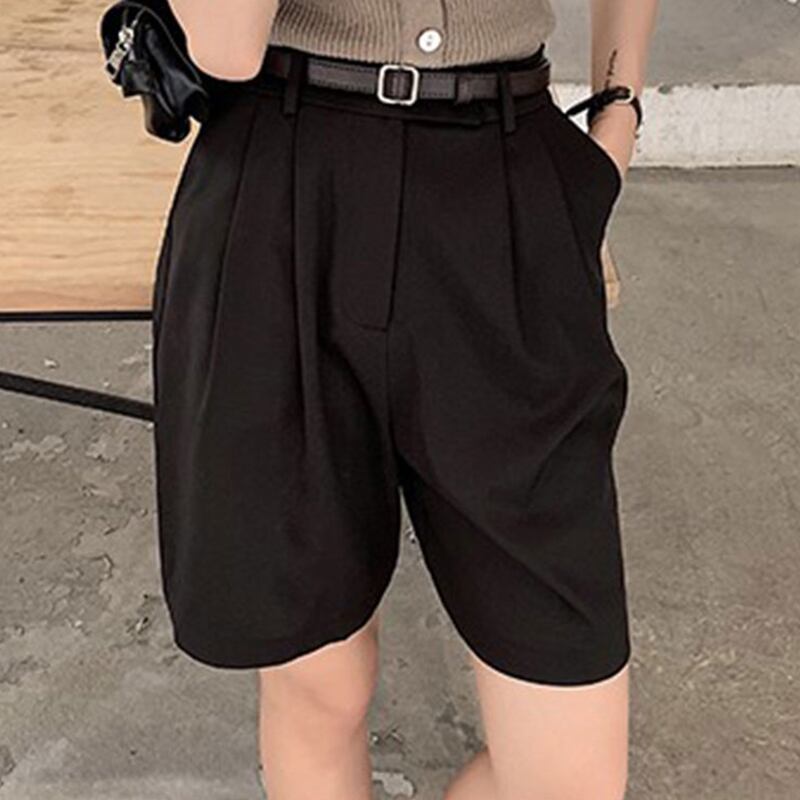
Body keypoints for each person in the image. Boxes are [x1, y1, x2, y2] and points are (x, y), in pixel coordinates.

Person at [155, 2, 658, 798]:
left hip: (504, 173)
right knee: (321, 687)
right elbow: (226, 46)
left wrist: (617, 112)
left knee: (568, 777)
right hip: (287, 183)